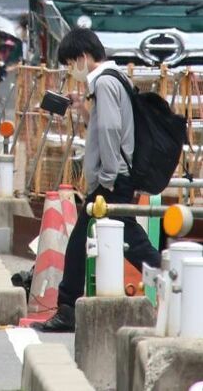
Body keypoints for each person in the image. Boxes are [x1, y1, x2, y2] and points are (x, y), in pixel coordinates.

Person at [33, 28, 161, 332]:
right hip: (118, 176)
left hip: (112, 180)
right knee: (122, 237)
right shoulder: (115, 78)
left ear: (83, 57)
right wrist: (83, 107)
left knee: (98, 241)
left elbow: (109, 131)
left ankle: (177, 276)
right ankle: (173, 274)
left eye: (69, 63)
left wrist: (106, 176)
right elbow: (108, 124)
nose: (70, 70)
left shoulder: (103, 82)